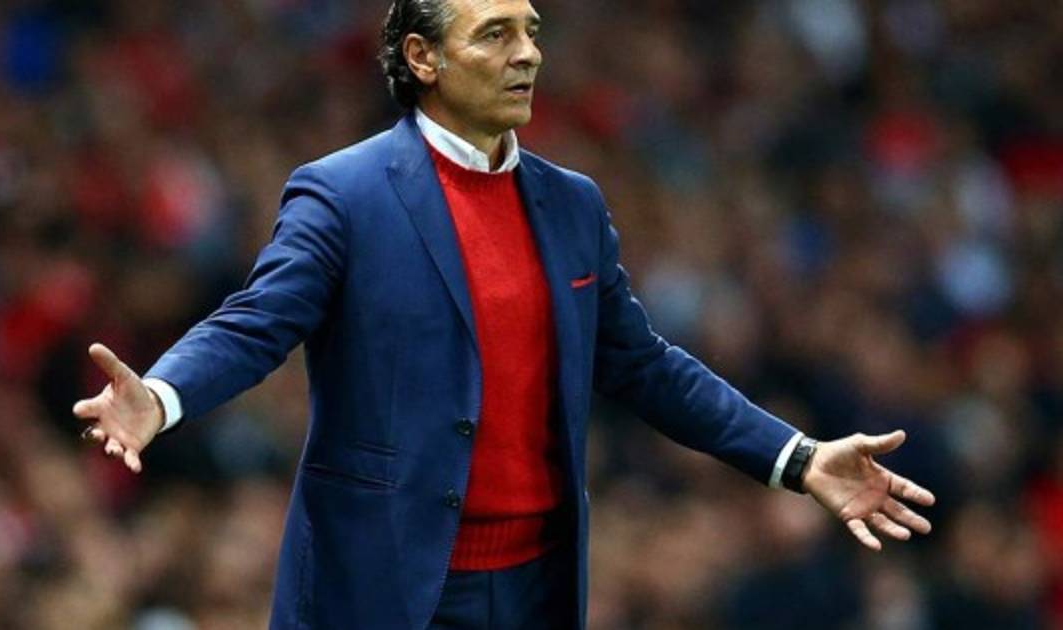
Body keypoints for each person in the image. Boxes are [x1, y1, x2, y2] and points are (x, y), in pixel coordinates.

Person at [72, 0, 935, 627]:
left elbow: (644, 365)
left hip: (536, 588)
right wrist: (162, 397)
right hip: (387, 587)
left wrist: (798, 457)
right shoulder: (344, 194)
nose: (527, 54)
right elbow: (256, 323)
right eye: (495, 34)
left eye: (532, 31)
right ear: (422, 57)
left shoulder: (572, 204)